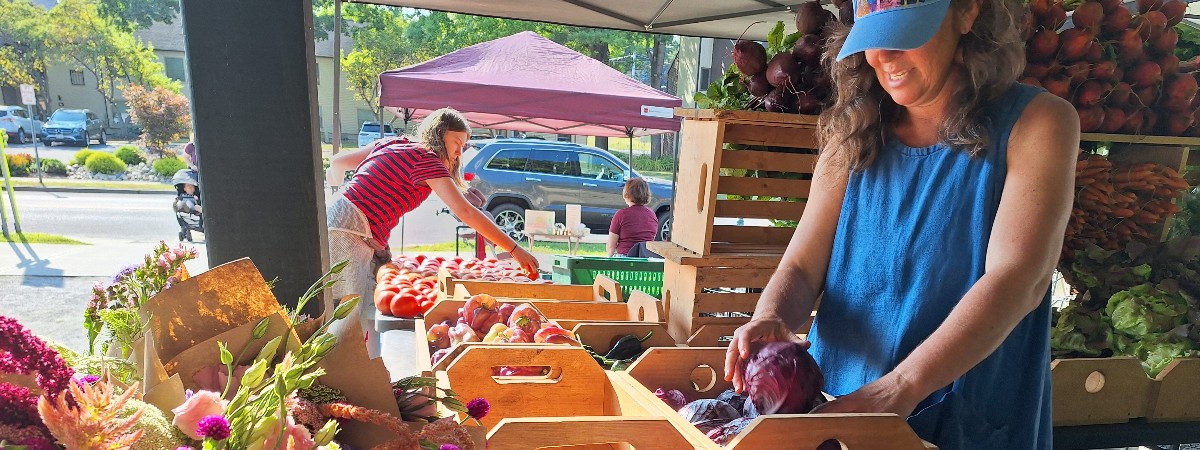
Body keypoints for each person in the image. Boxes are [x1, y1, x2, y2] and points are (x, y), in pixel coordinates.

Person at [723, 1, 1077, 448]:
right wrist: (772, 315)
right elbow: (802, 265)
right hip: (838, 407)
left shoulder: (1039, 122)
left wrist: (898, 389)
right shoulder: (851, 131)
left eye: (906, 34)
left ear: (967, 14)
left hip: (964, 416)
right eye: (872, 39)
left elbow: (1018, 279)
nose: (885, 56)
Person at [325, 108, 540, 353]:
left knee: (358, 311)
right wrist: (514, 249)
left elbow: (338, 161)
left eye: (464, 145)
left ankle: (364, 369)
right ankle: (343, 376)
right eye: (457, 142)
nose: (460, 151)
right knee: (346, 317)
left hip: (345, 224)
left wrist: (336, 185)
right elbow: (467, 213)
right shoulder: (427, 159)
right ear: (439, 135)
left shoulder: (395, 142)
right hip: (348, 231)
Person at [606, 177, 659, 257]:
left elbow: (611, 245)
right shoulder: (652, 215)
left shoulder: (621, 215)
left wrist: (609, 261)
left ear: (627, 193)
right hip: (644, 259)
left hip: (625, 258)